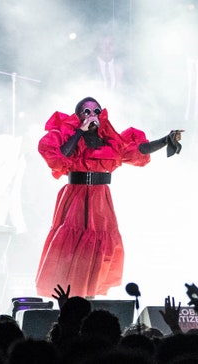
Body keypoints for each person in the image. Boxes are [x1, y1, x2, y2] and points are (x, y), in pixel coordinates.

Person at [35, 97, 182, 298]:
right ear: (78, 116)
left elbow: (138, 150)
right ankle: (67, 299)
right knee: (72, 246)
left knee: (97, 247)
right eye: (86, 112)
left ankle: (89, 297)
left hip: (100, 198)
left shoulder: (109, 141)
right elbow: (60, 156)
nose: (92, 115)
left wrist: (165, 140)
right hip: (76, 196)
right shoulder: (68, 135)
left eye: (96, 111)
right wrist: (80, 131)